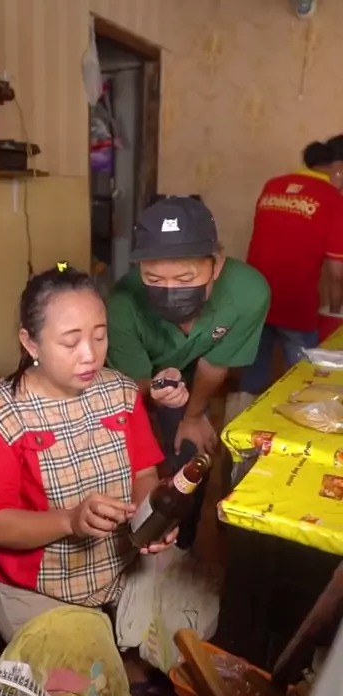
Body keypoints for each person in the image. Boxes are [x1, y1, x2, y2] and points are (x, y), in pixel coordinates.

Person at [0, 263, 176, 643]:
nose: (90, 355)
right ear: (31, 344)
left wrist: (151, 520)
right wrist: (70, 520)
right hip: (38, 588)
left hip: (121, 563)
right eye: (70, 342)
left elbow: (144, 474)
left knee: (191, 624)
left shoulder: (121, 392)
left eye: (100, 336)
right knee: (80, 673)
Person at [106, 195, 270, 553]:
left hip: (195, 373)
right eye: (153, 277)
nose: (170, 290)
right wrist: (157, 391)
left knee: (193, 451)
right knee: (127, 463)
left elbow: (215, 365)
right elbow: (131, 387)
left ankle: (184, 544)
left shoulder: (248, 292)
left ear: (216, 264)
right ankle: (141, 540)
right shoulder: (121, 303)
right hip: (138, 383)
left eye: (185, 277)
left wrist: (192, 415)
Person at [241, 139, 343, 399]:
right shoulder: (332, 198)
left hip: (255, 296)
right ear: (337, 168)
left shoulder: (273, 185)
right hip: (296, 303)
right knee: (305, 376)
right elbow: (336, 270)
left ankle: (241, 418)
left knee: (253, 368)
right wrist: (335, 311)